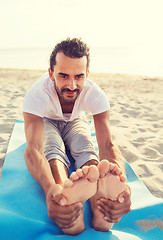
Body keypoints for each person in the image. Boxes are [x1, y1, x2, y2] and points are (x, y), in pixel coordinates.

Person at [23, 38, 131, 235]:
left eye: (79, 77)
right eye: (63, 76)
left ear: (87, 75)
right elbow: (33, 149)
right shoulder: (37, 95)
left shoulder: (95, 94)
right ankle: (64, 193)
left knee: (84, 144)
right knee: (52, 148)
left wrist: (124, 184)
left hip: (76, 121)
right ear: (51, 73)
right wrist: (49, 192)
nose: (72, 85)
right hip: (47, 121)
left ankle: (100, 198)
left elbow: (106, 143)